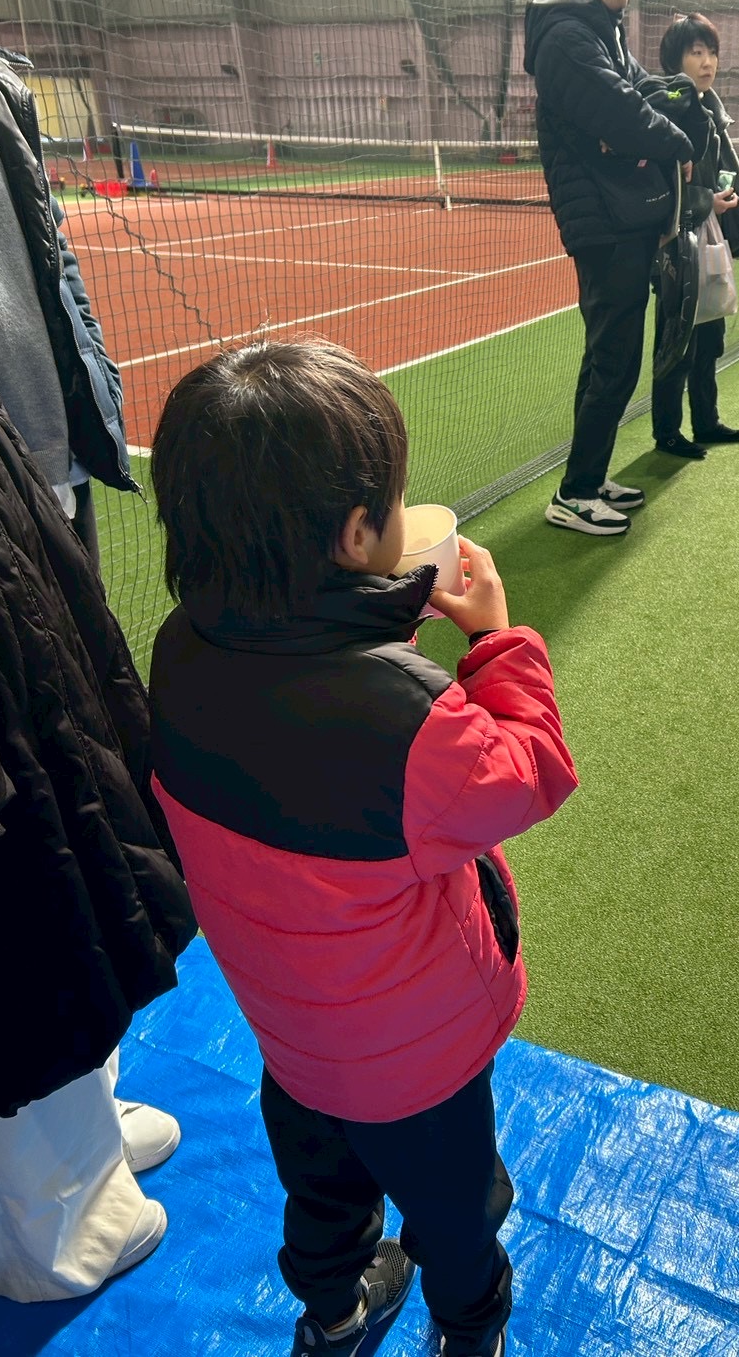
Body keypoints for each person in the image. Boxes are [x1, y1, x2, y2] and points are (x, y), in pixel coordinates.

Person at [148, 341, 579, 1357]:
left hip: (293, 1041)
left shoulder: (178, 650)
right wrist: (496, 639)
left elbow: (307, 720)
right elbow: (532, 771)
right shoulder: (411, 724)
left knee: (322, 1192)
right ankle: (469, 1329)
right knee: (456, 1209)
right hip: (415, 1061)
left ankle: (333, 1313)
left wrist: (379, 626)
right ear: (354, 535)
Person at [0, 44, 193, 1301]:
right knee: (23, 854)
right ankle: (45, 1216)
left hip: (20, 470)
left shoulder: (1, 84)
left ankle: (81, 1128)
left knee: (72, 795)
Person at [524, 0, 695, 535]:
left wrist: (666, 106)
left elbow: (638, 93)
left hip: (618, 214)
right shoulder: (567, 37)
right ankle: (574, 493)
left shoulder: (598, 28)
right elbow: (622, 112)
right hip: (601, 220)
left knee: (611, 358)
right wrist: (678, 141)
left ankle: (588, 478)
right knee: (613, 359)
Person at [650, 13, 739, 460]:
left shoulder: (711, 107)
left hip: (709, 236)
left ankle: (706, 420)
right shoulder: (663, 111)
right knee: (677, 339)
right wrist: (704, 201)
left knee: (709, 335)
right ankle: (667, 432)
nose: (707, 62)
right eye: (697, 53)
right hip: (674, 243)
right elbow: (658, 185)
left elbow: (718, 170)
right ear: (676, 59)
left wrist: (721, 201)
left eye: (712, 52)